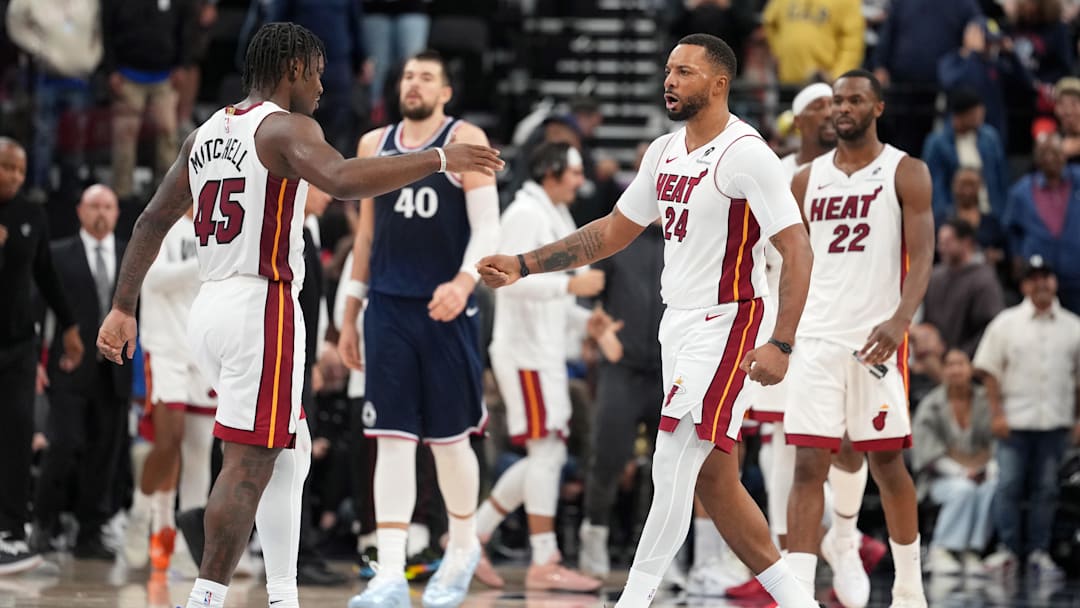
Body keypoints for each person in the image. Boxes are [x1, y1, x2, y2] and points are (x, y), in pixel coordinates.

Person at [96, 22, 502, 608]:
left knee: (293, 448)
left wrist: (121, 306)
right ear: (291, 69)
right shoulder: (286, 126)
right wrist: (437, 158)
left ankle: (284, 594)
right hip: (262, 305)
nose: (321, 83)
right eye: (315, 70)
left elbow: (151, 221)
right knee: (248, 463)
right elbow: (340, 180)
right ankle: (205, 598)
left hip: (210, 308)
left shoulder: (206, 132)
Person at [478, 34, 818, 608]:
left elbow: (797, 249)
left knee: (670, 463)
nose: (669, 80)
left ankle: (632, 600)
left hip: (729, 322)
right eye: (668, 70)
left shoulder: (747, 154)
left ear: (718, 84)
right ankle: (798, 601)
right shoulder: (662, 152)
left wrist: (782, 341)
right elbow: (611, 232)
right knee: (714, 480)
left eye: (684, 72)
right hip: (678, 325)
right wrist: (525, 264)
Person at [336, 50, 502, 608]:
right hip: (387, 306)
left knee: (450, 442)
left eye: (428, 76)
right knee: (392, 440)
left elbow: (488, 228)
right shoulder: (371, 145)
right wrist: (350, 307)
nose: (415, 83)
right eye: (408, 74)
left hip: (446, 308)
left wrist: (463, 282)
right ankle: (388, 570)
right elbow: (365, 238)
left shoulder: (466, 138)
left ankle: (460, 546)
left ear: (446, 92)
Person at [783, 69, 934, 608]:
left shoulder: (906, 171)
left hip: (876, 339)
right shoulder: (804, 180)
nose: (840, 108)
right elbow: (790, 265)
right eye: (834, 101)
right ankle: (798, 595)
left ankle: (910, 591)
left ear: (877, 108)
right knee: (807, 464)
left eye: (853, 100)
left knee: (887, 463)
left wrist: (900, 321)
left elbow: (922, 257)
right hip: (816, 338)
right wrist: (783, 335)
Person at [472, 142, 602, 592]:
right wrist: (571, 288)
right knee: (546, 452)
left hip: (543, 352)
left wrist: (589, 320)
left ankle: (473, 536)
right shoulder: (526, 212)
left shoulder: (554, 213)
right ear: (550, 172)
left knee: (548, 454)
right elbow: (502, 282)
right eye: (574, 170)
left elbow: (554, 295)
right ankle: (542, 557)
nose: (580, 179)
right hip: (524, 352)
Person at [0, 137, 82, 574]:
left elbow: (46, 273)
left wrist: (69, 327)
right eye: (5, 168)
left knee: (16, 433)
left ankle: (11, 532)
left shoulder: (31, 214)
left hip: (19, 345)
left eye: (19, 168)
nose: (13, 176)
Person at [35, 185, 130, 560]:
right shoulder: (58, 254)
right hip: (68, 368)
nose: (101, 213)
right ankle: (44, 523)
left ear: (118, 212)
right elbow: (38, 309)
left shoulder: (129, 255)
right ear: (79, 210)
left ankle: (89, 532)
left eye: (108, 206)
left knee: (104, 452)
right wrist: (38, 363)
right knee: (64, 444)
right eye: (94, 206)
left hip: (116, 370)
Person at [973, 255, 1080, 580]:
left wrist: (1078, 419)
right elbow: (989, 371)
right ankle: (1007, 549)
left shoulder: (1073, 327)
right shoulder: (1007, 323)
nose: (1041, 284)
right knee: (1008, 486)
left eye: (1046, 277)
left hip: (1055, 421)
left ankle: (1038, 551)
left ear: (1054, 282)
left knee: (1046, 489)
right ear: (1024, 285)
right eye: (1034, 278)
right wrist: (996, 413)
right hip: (1014, 422)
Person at [124, 204, 218, 572]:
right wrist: (204, 264)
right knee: (168, 440)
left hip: (203, 348)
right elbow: (154, 279)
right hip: (164, 347)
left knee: (199, 450)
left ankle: (188, 542)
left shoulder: (219, 227)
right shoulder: (161, 225)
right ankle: (140, 514)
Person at [911, 349, 997, 577]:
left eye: (961, 363)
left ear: (971, 369)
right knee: (963, 490)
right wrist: (961, 470)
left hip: (981, 470)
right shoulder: (932, 403)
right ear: (944, 369)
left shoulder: (984, 401)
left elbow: (994, 442)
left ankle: (971, 550)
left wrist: (984, 468)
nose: (956, 369)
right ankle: (943, 548)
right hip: (941, 477)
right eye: (950, 364)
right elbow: (926, 449)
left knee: (992, 488)